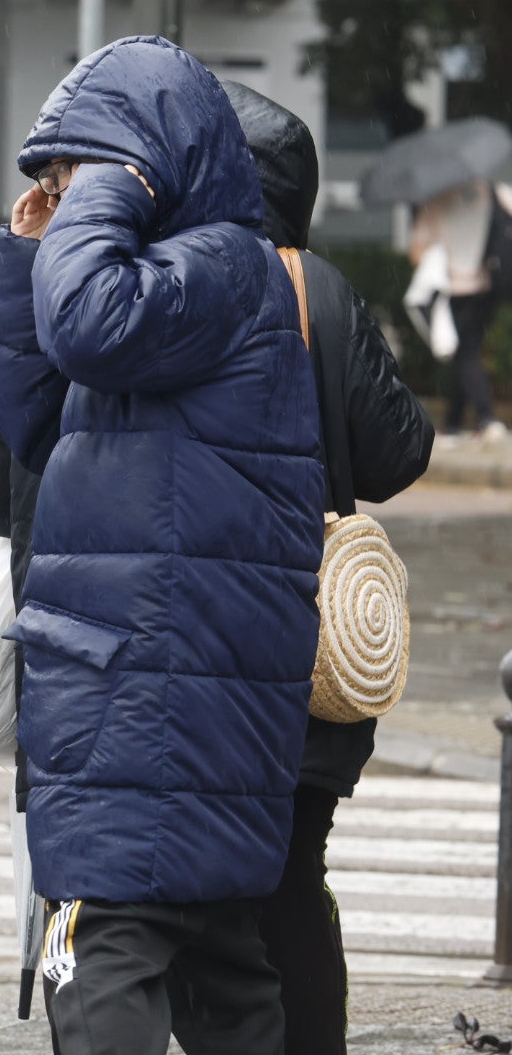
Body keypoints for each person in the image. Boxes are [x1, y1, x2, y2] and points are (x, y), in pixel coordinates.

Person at [0, 36, 325, 1054]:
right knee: (224, 972)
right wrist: (26, 246)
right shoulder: (165, 288)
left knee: (101, 962)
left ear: (148, 171)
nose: (64, 191)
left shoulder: (218, 268)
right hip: (161, 692)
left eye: (78, 174)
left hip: (149, 696)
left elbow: (83, 327)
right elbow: (28, 420)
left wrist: (106, 194)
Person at [223, 80, 435, 1055]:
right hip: (311, 648)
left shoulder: (176, 282)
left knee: (202, 889)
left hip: (212, 642)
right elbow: (398, 453)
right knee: (294, 877)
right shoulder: (324, 292)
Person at [408, 180, 508, 438]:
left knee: (463, 354)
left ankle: (487, 418)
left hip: (453, 290)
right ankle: (454, 421)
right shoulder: (492, 192)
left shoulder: (436, 200)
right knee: (465, 353)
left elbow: (417, 252)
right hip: (488, 285)